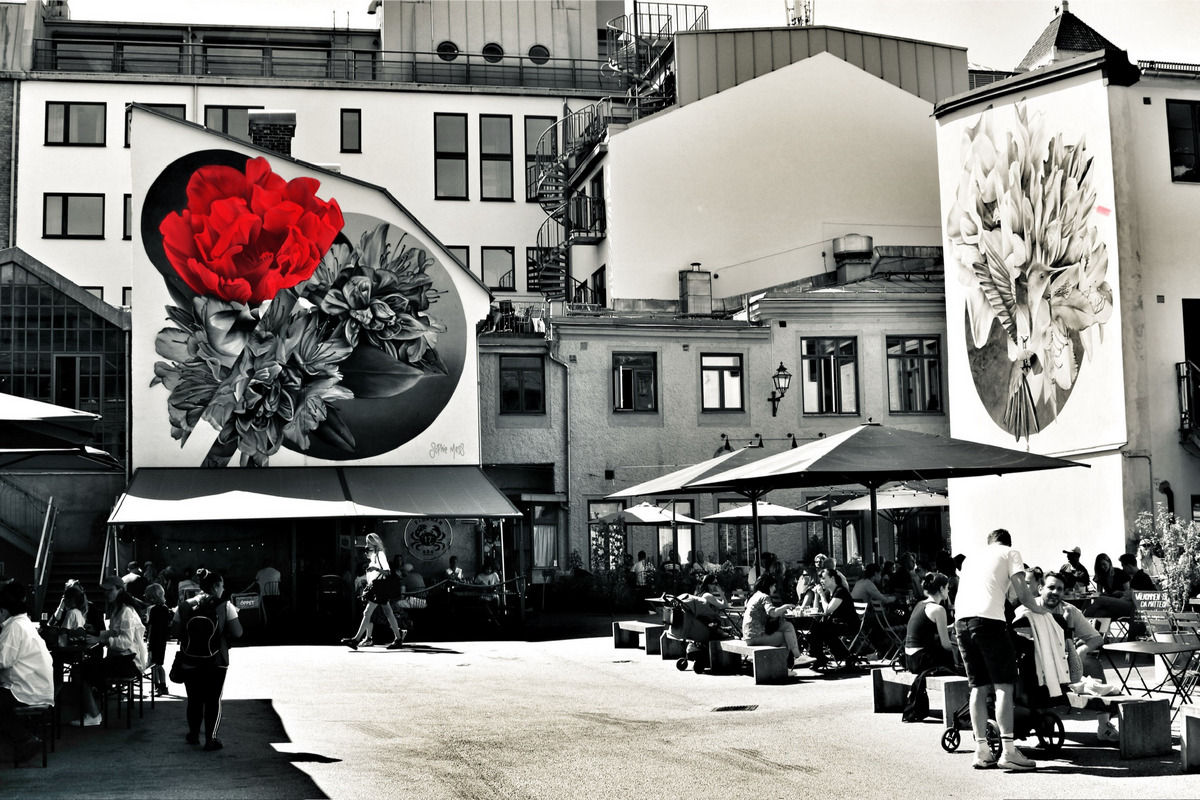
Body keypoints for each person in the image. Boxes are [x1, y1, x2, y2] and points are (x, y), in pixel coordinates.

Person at [954, 528, 1049, 771]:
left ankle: (982, 751)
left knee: (978, 686)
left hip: (962, 621)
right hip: (988, 622)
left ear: (990, 543)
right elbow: (1022, 591)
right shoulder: (1010, 552)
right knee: (1004, 685)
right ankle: (1008, 750)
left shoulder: (972, 558)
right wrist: (1039, 610)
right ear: (1007, 542)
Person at [1015, 571, 1117, 742]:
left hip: (1064, 666)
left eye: (1060, 589)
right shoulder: (1026, 610)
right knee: (1045, 725)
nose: (1055, 592)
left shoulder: (1069, 610)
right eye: (1051, 587)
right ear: (1040, 589)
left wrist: (1081, 651)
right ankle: (1039, 718)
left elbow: (1096, 638)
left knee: (1092, 663)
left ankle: (1104, 725)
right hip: (1037, 666)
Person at [173, 568, 243, 751]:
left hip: (189, 659)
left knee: (194, 698)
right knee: (213, 699)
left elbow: (175, 632)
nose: (223, 589)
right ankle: (211, 739)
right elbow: (237, 633)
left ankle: (193, 734)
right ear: (215, 586)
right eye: (222, 586)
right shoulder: (225, 606)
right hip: (217, 660)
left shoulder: (184, 605)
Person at [73, 575, 148, 727]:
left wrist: (100, 639)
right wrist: (97, 634)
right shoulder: (119, 609)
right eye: (105, 590)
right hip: (123, 660)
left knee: (79, 670)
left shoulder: (125, 611)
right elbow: (115, 633)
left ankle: (93, 714)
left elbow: (125, 642)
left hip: (129, 662)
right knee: (83, 668)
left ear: (120, 590)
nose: (106, 593)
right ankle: (92, 706)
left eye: (110, 590)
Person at [0, 581, 53, 764]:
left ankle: (26, 739)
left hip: (27, 689)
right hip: (36, 685)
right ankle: (24, 739)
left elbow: (3, 660)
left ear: (3, 611)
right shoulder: (23, 622)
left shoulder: (13, 627)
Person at [902, 572, 959, 722]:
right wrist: (961, 648)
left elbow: (926, 628)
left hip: (910, 659)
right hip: (922, 660)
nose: (948, 590)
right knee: (961, 662)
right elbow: (946, 645)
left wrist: (950, 627)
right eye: (947, 587)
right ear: (941, 589)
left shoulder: (921, 604)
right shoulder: (939, 610)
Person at [343, 533, 406, 650]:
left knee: (369, 613)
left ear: (374, 542)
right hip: (377, 588)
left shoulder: (380, 554)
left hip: (379, 588)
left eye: (368, 542)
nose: (366, 544)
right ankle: (398, 637)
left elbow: (387, 572)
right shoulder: (375, 555)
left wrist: (375, 568)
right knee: (386, 613)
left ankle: (356, 640)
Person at [807, 567, 865, 672]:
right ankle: (840, 657)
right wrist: (816, 594)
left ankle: (824, 658)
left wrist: (821, 594)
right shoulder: (829, 593)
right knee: (817, 629)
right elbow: (816, 610)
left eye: (823, 578)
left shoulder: (840, 591)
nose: (821, 581)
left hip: (849, 625)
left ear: (832, 578)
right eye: (820, 579)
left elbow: (828, 610)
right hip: (837, 624)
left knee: (821, 630)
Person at [742, 574, 804, 668]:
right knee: (786, 637)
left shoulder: (755, 595)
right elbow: (772, 613)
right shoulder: (764, 597)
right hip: (756, 636)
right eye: (773, 586)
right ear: (768, 586)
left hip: (749, 635)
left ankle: (797, 656)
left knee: (787, 626)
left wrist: (781, 613)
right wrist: (786, 607)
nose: (775, 588)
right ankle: (782, 668)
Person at [1082, 552, 1133, 619]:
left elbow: (1128, 593)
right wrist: (1103, 594)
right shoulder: (1101, 576)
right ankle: (1086, 623)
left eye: (1104, 564)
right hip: (1110, 605)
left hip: (1122, 602)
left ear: (1109, 562)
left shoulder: (1120, 573)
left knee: (1100, 601)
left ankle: (1081, 620)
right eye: (1100, 565)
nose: (1102, 567)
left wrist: (1119, 593)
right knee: (1099, 614)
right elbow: (1099, 593)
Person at [144, 582, 171, 696]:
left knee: (153, 664)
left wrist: (148, 641)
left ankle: (157, 686)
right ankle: (163, 686)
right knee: (159, 664)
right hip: (162, 640)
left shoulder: (152, 609)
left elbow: (150, 626)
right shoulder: (165, 609)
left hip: (154, 639)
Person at [475, 560, 502, 627]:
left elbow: (498, 585)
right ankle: (493, 619)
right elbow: (475, 587)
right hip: (483, 595)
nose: (489, 571)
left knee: (496, 599)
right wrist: (481, 588)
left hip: (493, 594)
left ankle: (495, 617)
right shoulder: (479, 576)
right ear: (484, 569)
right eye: (487, 569)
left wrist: (494, 588)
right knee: (484, 602)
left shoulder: (494, 575)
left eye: (490, 569)